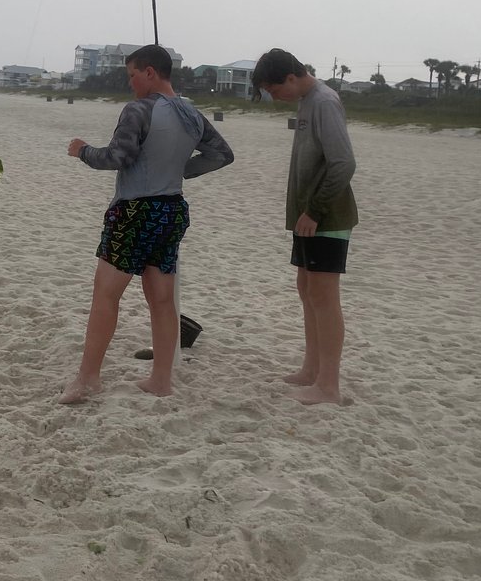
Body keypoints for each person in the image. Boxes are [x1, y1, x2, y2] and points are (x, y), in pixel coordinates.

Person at [60, 44, 234, 403]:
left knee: (106, 295)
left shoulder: (139, 109)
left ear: (150, 72)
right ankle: (161, 380)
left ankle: (88, 379)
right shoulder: (190, 113)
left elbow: (117, 157)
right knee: (163, 300)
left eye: (132, 75)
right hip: (172, 210)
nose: (130, 84)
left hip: (135, 211)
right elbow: (221, 155)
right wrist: (179, 169)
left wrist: (82, 151)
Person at [252, 48, 358, 406]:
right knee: (307, 290)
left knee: (324, 297)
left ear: (292, 77)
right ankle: (312, 370)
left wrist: (313, 211)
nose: (273, 96)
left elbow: (343, 163)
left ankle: (329, 384)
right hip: (307, 217)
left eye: (273, 89)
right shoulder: (306, 102)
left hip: (326, 216)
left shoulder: (324, 101)